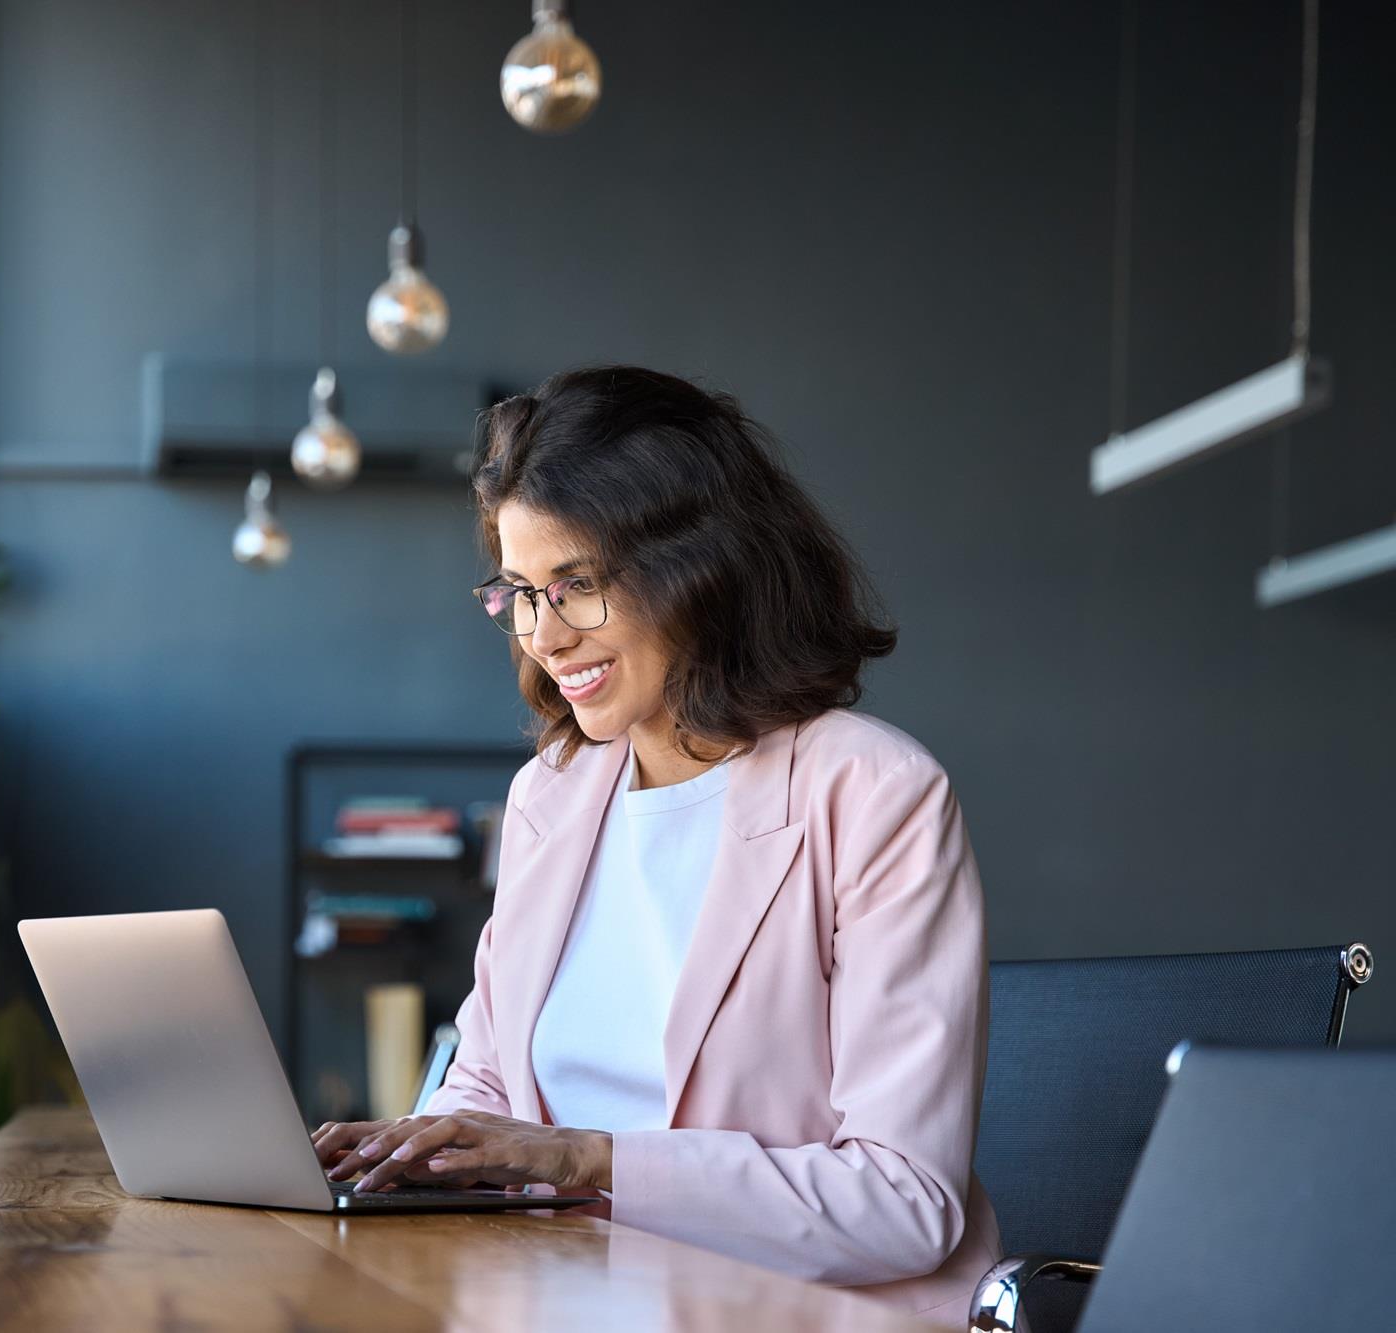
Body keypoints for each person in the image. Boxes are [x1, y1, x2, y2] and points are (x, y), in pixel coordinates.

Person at [311, 365, 1000, 1327]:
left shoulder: (875, 794)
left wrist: (589, 1159)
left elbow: (903, 1203)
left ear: (700, 570)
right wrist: (410, 1150)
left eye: (576, 586)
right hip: (560, 1297)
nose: (544, 635)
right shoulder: (552, 793)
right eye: (517, 591)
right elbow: (491, 1075)